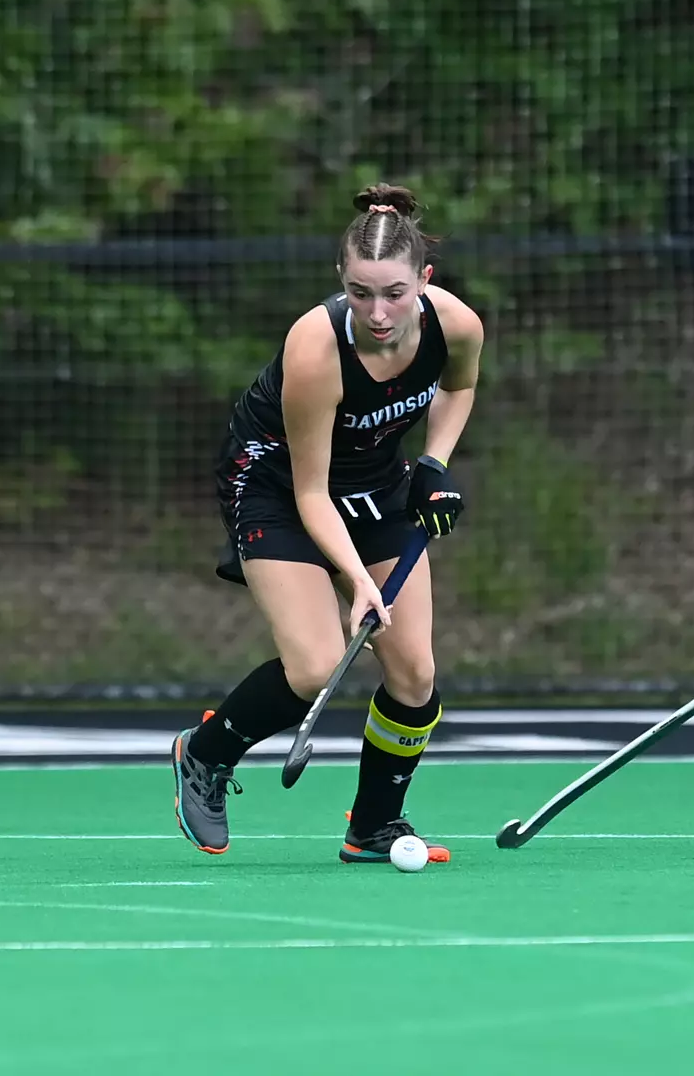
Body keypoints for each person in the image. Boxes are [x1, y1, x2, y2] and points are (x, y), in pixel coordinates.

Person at [171, 183, 484, 864]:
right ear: (341, 279)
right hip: (277, 485)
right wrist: (357, 582)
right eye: (360, 293)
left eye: (395, 293)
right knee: (315, 666)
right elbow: (312, 491)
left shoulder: (457, 325)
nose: (378, 312)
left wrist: (433, 463)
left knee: (414, 673)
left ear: (424, 280)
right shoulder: (316, 348)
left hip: (375, 481)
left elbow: (458, 386)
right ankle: (206, 752)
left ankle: (373, 826)